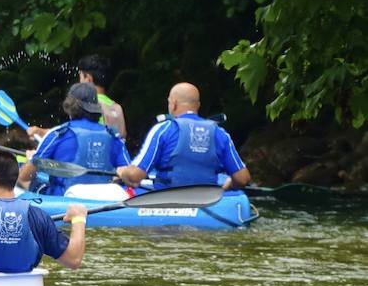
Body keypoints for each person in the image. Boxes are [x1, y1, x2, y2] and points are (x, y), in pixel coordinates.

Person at [117, 83, 252, 191]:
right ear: (198, 106)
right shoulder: (220, 133)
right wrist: (231, 183)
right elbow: (242, 178)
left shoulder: (164, 129)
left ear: (173, 104)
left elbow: (135, 176)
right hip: (207, 201)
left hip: (167, 200)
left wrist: (122, 172)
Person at [17, 82, 131, 194]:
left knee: (24, 180)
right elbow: (129, 173)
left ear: (69, 106)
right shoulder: (113, 136)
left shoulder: (58, 134)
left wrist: (30, 159)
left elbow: (25, 176)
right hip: (102, 201)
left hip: (64, 202)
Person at [78, 54, 127, 141]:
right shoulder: (116, 107)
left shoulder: (87, 105)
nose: (79, 82)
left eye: (81, 77)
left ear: (88, 78)